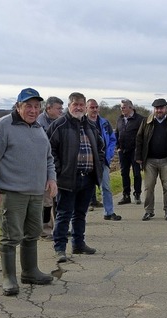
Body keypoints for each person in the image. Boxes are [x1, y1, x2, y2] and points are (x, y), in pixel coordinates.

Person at [0, 88, 57, 296]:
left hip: (36, 193)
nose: (33, 110)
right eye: (28, 106)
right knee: (10, 235)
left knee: (32, 233)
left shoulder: (39, 128)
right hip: (11, 192)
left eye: (36, 106)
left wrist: (51, 178)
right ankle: (9, 277)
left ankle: (30, 271)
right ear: (18, 106)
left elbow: (48, 158)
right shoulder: (3, 126)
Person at [47, 92, 104, 263]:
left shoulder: (91, 126)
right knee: (64, 214)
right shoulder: (59, 125)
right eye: (75, 104)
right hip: (67, 179)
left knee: (80, 213)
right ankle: (60, 248)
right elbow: (50, 151)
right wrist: (59, 170)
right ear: (69, 106)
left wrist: (98, 164)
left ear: (85, 106)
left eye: (81, 104)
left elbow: (100, 147)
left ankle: (79, 244)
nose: (78, 108)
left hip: (87, 178)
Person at [86, 99, 121, 221]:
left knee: (106, 187)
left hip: (102, 160)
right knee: (85, 189)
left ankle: (109, 212)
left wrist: (109, 154)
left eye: (96, 107)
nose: (95, 109)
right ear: (87, 108)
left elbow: (112, 139)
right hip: (87, 162)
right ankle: (81, 217)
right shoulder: (81, 123)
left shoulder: (105, 123)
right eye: (92, 107)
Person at [37, 96, 64, 237]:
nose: (61, 111)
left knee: (58, 200)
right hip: (44, 167)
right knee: (47, 202)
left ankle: (59, 227)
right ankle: (45, 230)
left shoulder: (61, 122)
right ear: (48, 108)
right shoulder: (39, 123)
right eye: (58, 108)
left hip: (58, 166)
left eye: (62, 108)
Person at [115, 98, 145, 205]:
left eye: (123, 107)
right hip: (123, 151)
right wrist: (118, 147)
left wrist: (140, 151)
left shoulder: (140, 119)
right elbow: (117, 134)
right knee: (124, 173)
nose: (121, 109)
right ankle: (126, 195)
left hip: (135, 151)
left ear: (130, 107)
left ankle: (137, 194)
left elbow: (143, 136)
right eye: (121, 107)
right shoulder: (120, 119)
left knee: (136, 173)